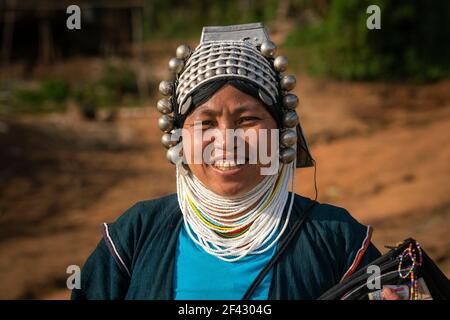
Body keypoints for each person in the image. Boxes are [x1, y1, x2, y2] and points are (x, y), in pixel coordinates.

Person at [72, 22, 398, 300]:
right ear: (179, 138)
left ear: (282, 132)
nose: (226, 141)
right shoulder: (137, 232)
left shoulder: (336, 237)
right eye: (206, 123)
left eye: (246, 121)